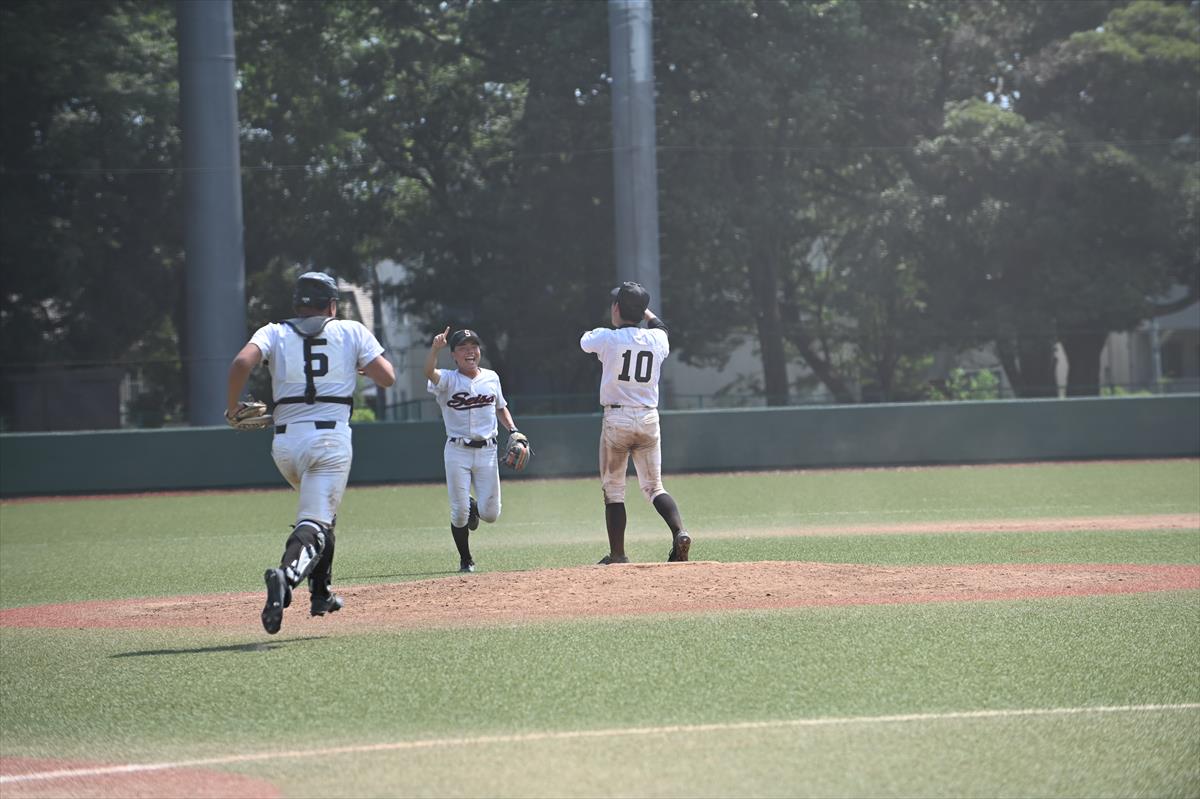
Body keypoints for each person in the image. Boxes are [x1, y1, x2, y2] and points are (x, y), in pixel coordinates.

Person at [226, 271, 395, 635]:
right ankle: (286, 577)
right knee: (315, 523)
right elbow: (387, 377)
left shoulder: (274, 331)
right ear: (332, 305)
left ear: (296, 305)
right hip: (329, 441)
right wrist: (361, 366)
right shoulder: (350, 331)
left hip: (285, 443)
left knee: (322, 517)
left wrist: (232, 406)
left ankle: (321, 594)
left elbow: (241, 363)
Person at [580, 281, 692, 565]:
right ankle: (679, 532)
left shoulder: (607, 338)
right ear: (642, 312)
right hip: (648, 417)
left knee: (614, 490)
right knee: (654, 487)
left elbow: (585, 341)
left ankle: (618, 554)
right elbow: (662, 327)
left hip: (617, 419)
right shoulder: (657, 340)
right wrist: (645, 312)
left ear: (617, 308)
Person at [424, 326, 520, 573]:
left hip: (487, 451)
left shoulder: (491, 377)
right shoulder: (448, 379)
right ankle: (466, 559)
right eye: (463, 348)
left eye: (474, 347)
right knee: (459, 513)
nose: (470, 352)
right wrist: (434, 349)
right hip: (458, 451)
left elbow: (500, 407)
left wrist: (513, 430)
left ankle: (473, 507)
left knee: (491, 514)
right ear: (453, 355)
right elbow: (429, 372)